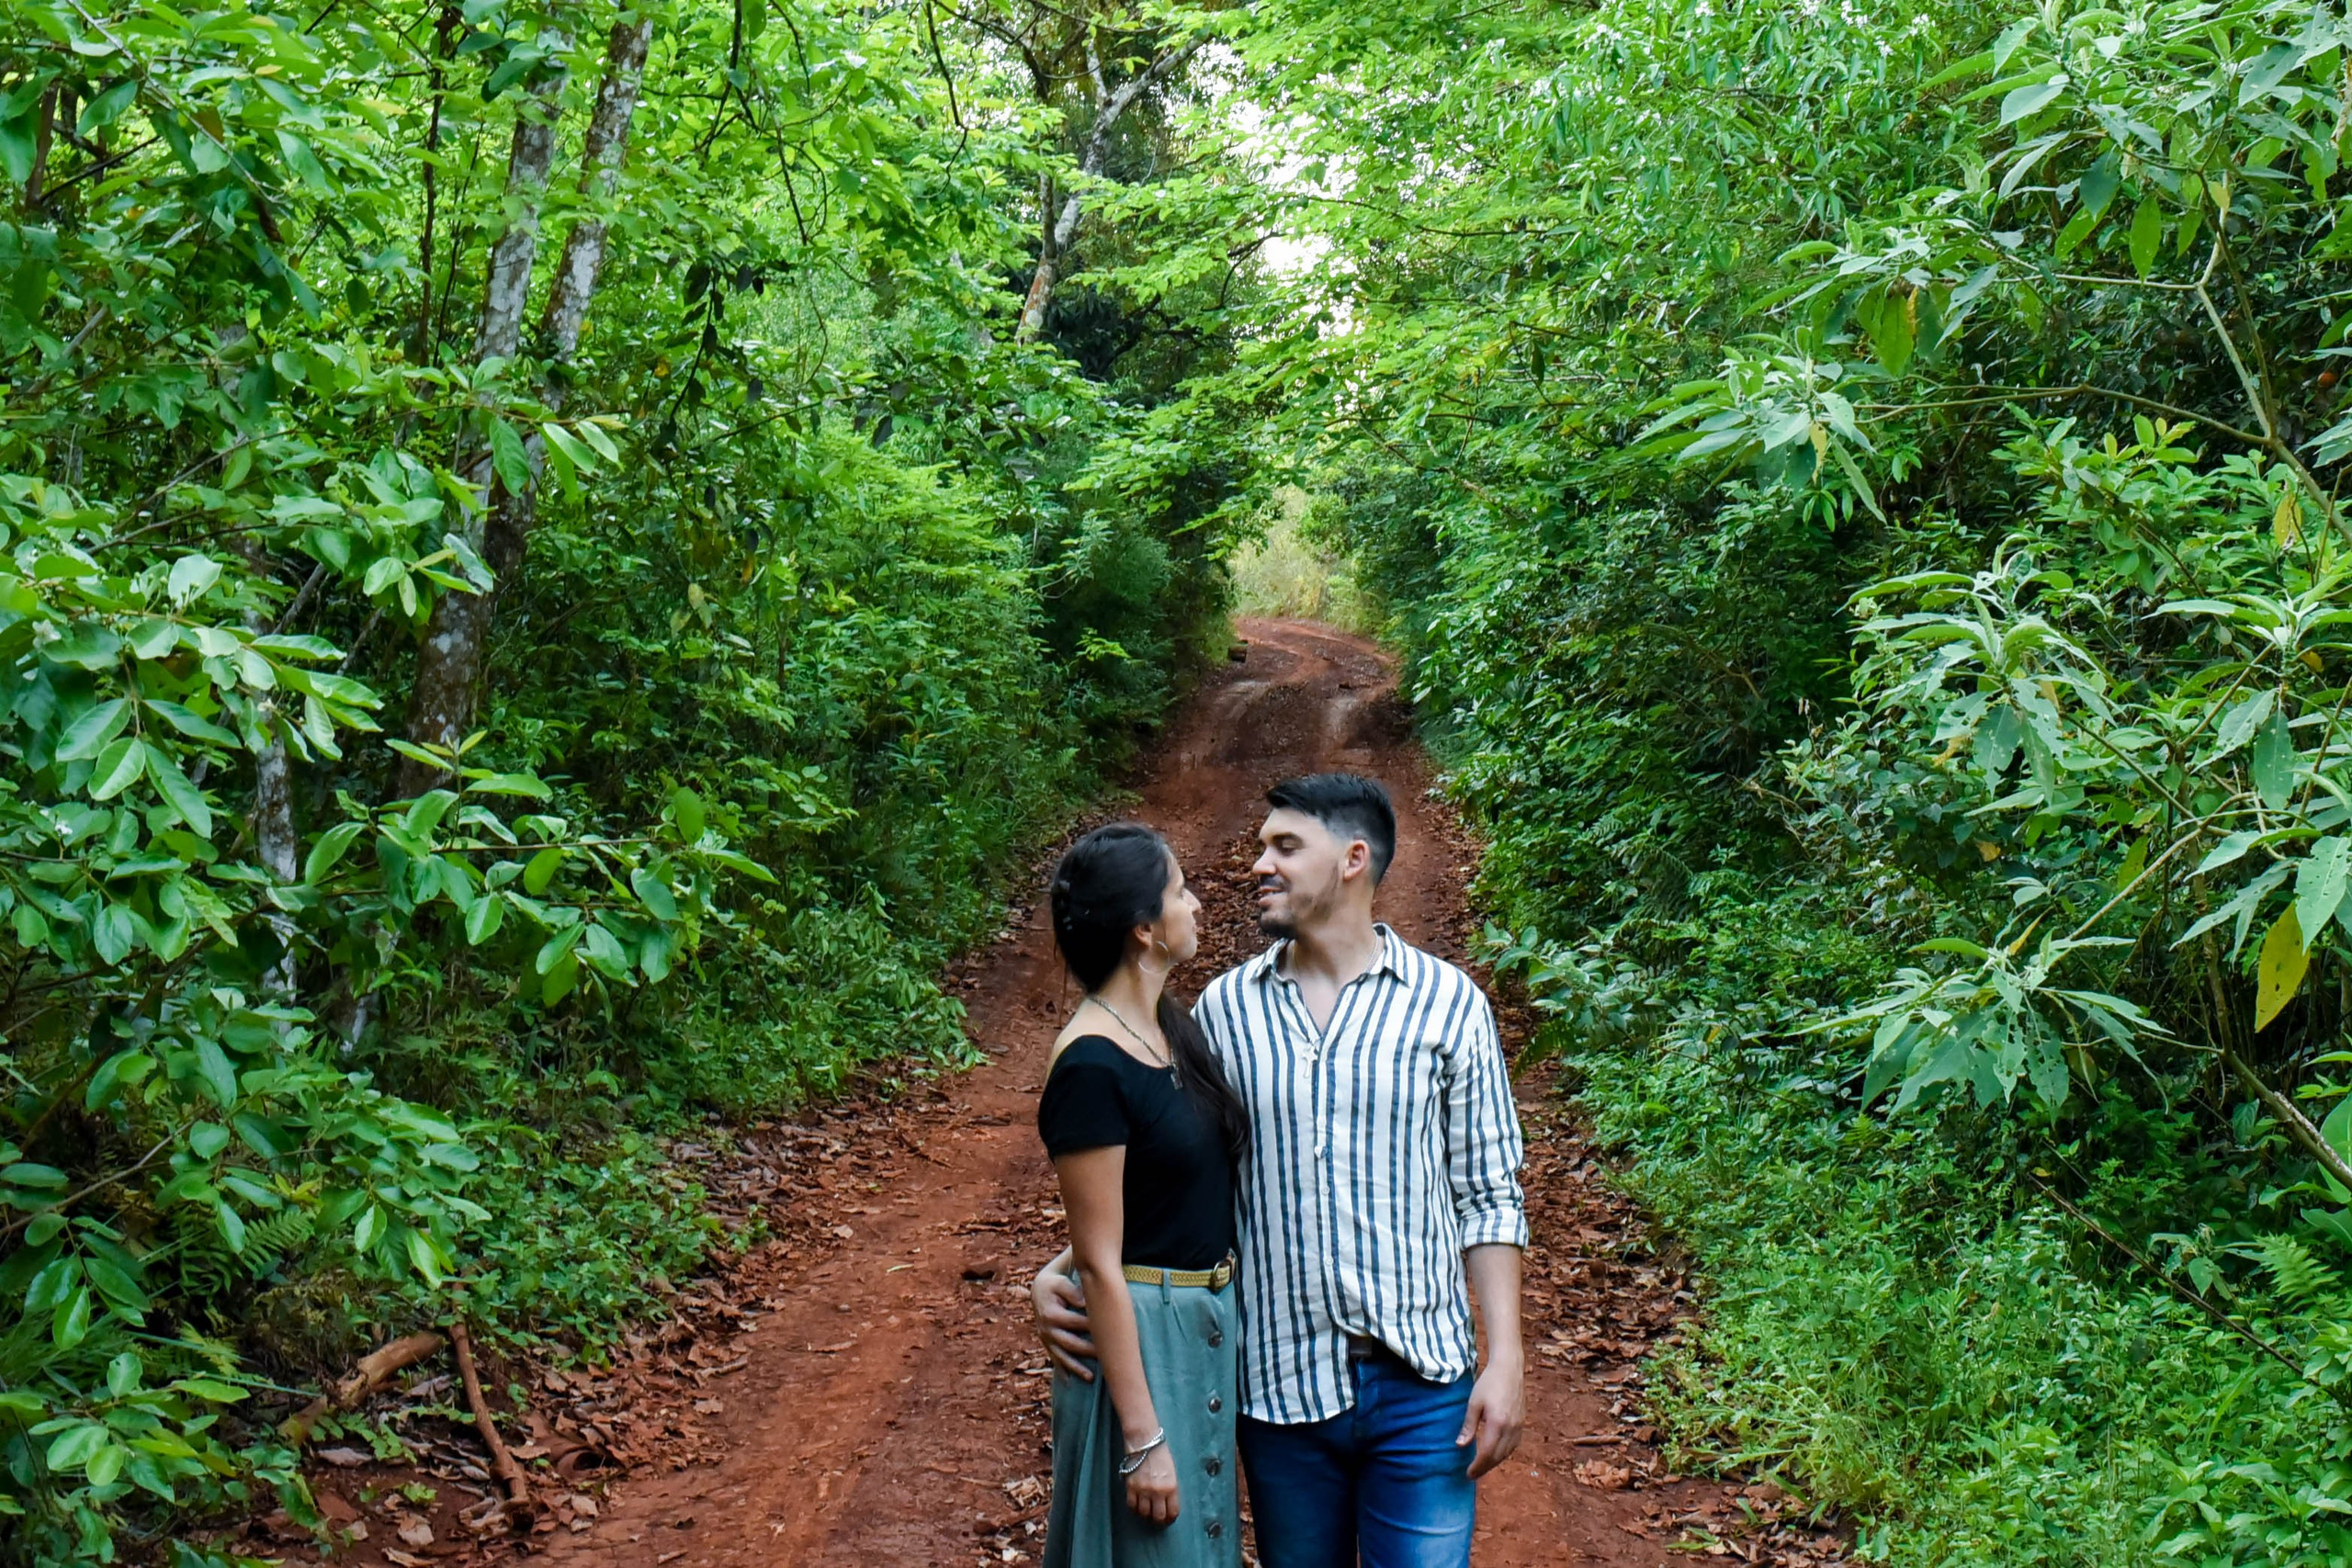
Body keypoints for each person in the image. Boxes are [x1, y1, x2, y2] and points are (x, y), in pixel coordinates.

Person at [1031, 774, 1528, 1568]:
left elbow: (1489, 1194)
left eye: (1284, 846)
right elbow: (1172, 1166)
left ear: (1353, 859)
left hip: (1425, 1386)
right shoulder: (1221, 1015)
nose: (1257, 863)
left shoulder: (1450, 1006)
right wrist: (1061, 1270)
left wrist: (1505, 1356)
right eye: (1262, 844)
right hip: (1282, 1387)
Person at [1035, 821, 1254, 1568]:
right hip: (1143, 1349)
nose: (1196, 905)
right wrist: (1142, 1438)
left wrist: (1050, 1268)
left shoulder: (1166, 1026)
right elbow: (1101, 1260)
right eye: (1180, 891)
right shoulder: (1091, 1064)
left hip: (1197, 1328)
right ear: (1143, 929)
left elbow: (1155, 1194)